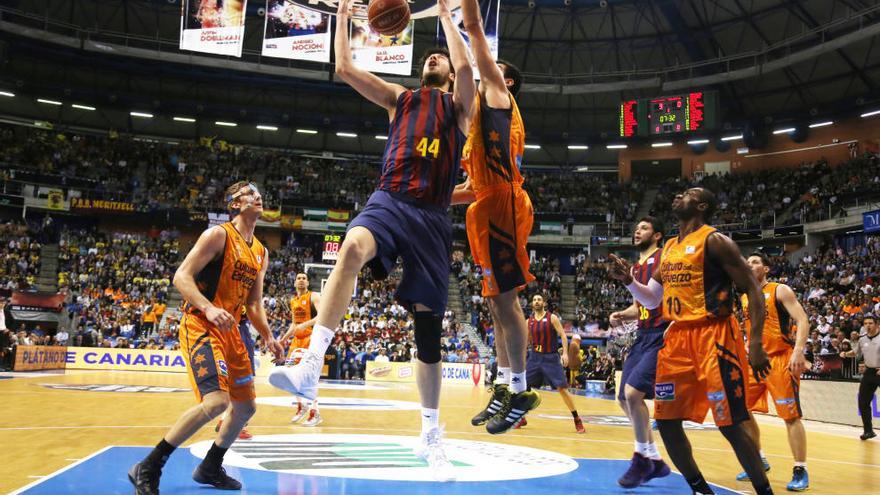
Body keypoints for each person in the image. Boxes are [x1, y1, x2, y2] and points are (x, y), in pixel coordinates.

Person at [268, 0, 475, 482]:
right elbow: (343, 67)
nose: (433, 59)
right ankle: (310, 366)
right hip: (390, 197)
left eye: (438, 58)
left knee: (428, 334)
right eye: (428, 58)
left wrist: (447, 15)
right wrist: (342, 13)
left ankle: (430, 435)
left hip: (431, 217)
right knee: (352, 248)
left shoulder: (459, 108)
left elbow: (466, 69)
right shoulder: (399, 98)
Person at [609, 187, 774, 495]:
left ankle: (764, 491)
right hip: (677, 340)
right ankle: (700, 489)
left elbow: (752, 288)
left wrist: (755, 344)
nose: (677, 195)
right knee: (667, 422)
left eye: (686, 193)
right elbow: (654, 297)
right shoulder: (670, 246)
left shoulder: (715, 241)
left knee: (730, 424)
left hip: (714, 336)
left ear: (700, 205)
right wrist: (629, 280)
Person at [128, 181, 284, 495]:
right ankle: (149, 465)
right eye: (250, 194)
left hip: (234, 331)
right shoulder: (218, 235)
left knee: (245, 408)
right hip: (202, 323)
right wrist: (209, 308)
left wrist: (269, 336)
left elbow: (253, 302)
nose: (258, 197)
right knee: (217, 402)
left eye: (259, 194)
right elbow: (181, 276)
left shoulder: (260, 252)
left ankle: (210, 466)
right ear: (236, 204)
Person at [450, 0, 540, 435]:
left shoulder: (500, 96)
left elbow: (475, 39)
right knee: (494, 304)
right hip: (487, 201)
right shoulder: (482, 123)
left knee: (506, 302)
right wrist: (429, 199)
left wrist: (461, 8)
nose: (488, 66)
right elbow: (472, 187)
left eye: (494, 67)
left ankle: (519, 388)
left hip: (503, 204)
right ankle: (504, 386)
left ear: (507, 81)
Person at [736, 252, 811, 491]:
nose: (750, 264)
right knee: (740, 411)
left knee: (790, 417)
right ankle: (758, 460)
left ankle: (800, 468)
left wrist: (799, 351)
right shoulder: (746, 296)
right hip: (755, 362)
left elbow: (802, 319)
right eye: (747, 262)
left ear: (766, 269)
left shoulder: (780, 290)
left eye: (755, 262)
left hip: (780, 359)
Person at [607, 217, 671, 488]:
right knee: (623, 397)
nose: (637, 231)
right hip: (643, 334)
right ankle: (654, 459)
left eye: (644, 228)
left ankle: (640, 457)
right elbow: (641, 304)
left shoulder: (664, 259)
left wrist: (629, 281)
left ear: (657, 235)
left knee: (634, 394)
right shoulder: (635, 266)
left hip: (663, 333)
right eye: (636, 228)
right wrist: (623, 314)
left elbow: (656, 299)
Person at [522, 293, 584, 434]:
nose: (537, 302)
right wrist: (523, 355)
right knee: (524, 387)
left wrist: (565, 353)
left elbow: (562, 335)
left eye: (539, 300)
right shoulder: (528, 321)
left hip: (551, 358)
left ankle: (577, 419)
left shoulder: (552, 318)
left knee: (562, 389)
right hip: (534, 357)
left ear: (544, 303)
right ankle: (522, 417)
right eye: (534, 300)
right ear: (532, 304)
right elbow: (527, 340)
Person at [277, 272, 323, 427]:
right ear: (295, 283)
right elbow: (294, 324)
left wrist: (305, 324)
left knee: (309, 377)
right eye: (299, 278)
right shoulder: (293, 300)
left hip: (312, 339)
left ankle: (315, 412)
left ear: (308, 282)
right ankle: (301, 405)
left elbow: (322, 316)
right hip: (297, 340)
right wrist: (283, 339)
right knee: (289, 374)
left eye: (304, 278)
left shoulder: (314, 296)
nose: (301, 280)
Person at [214, 306, 257, 440]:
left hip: (237, 329)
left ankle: (224, 420)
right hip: (230, 329)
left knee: (238, 382)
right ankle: (238, 425)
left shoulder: (246, 289)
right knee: (243, 383)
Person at [854, 315, 879, 440]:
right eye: (865, 323)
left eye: (870, 323)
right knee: (863, 401)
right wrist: (844, 353)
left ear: (877, 324)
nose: (868, 325)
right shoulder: (862, 339)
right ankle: (868, 431)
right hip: (869, 372)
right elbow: (857, 353)